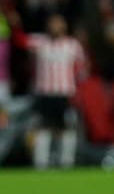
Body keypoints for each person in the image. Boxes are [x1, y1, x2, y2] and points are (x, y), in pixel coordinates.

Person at [23, 12, 87, 169]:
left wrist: (79, 91)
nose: (55, 26)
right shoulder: (39, 42)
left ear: (64, 25)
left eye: (58, 23)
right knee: (43, 127)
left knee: (67, 128)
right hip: (45, 92)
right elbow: (20, 42)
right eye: (52, 23)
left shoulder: (73, 46)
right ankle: (41, 162)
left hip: (65, 93)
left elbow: (81, 70)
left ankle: (66, 161)